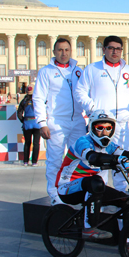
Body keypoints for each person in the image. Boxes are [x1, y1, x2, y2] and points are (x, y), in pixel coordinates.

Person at [55, 110, 129, 243]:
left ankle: (127, 242)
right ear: (92, 128)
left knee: (127, 201)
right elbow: (93, 158)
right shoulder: (83, 141)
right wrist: (120, 160)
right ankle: (89, 227)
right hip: (67, 188)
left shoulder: (109, 146)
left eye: (108, 128)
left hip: (90, 188)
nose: (104, 132)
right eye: (99, 128)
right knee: (97, 182)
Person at [75, 35, 129, 192]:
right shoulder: (92, 69)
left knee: (121, 161)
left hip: (123, 125)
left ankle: (121, 195)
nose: (115, 52)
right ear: (104, 49)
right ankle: (100, 198)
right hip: (102, 127)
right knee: (101, 165)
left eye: (118, 49)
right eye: (111, 48)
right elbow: (80, 91)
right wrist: (93, 108)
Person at [33, 38, 87, 205]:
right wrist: (42, 122)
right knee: (55, 160)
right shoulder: (46, 72)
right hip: (57, 121)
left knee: (78, 158)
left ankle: (74, 192)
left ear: (70, 51)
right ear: (54, 52)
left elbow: (85, 94)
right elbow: (38, 98)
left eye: (66, 50)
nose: (63, 53)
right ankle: (54, 195)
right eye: (60, 50)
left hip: (78, 121)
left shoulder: (78, 71)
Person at [17, 85, 41, 166]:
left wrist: (23, 120)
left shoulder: (24, 101)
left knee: (27, 143)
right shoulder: (37, 100)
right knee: (36, 143)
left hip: (27, 124)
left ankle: (25, 161)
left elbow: (19, 113)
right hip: (37, 123)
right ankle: (34, 162)